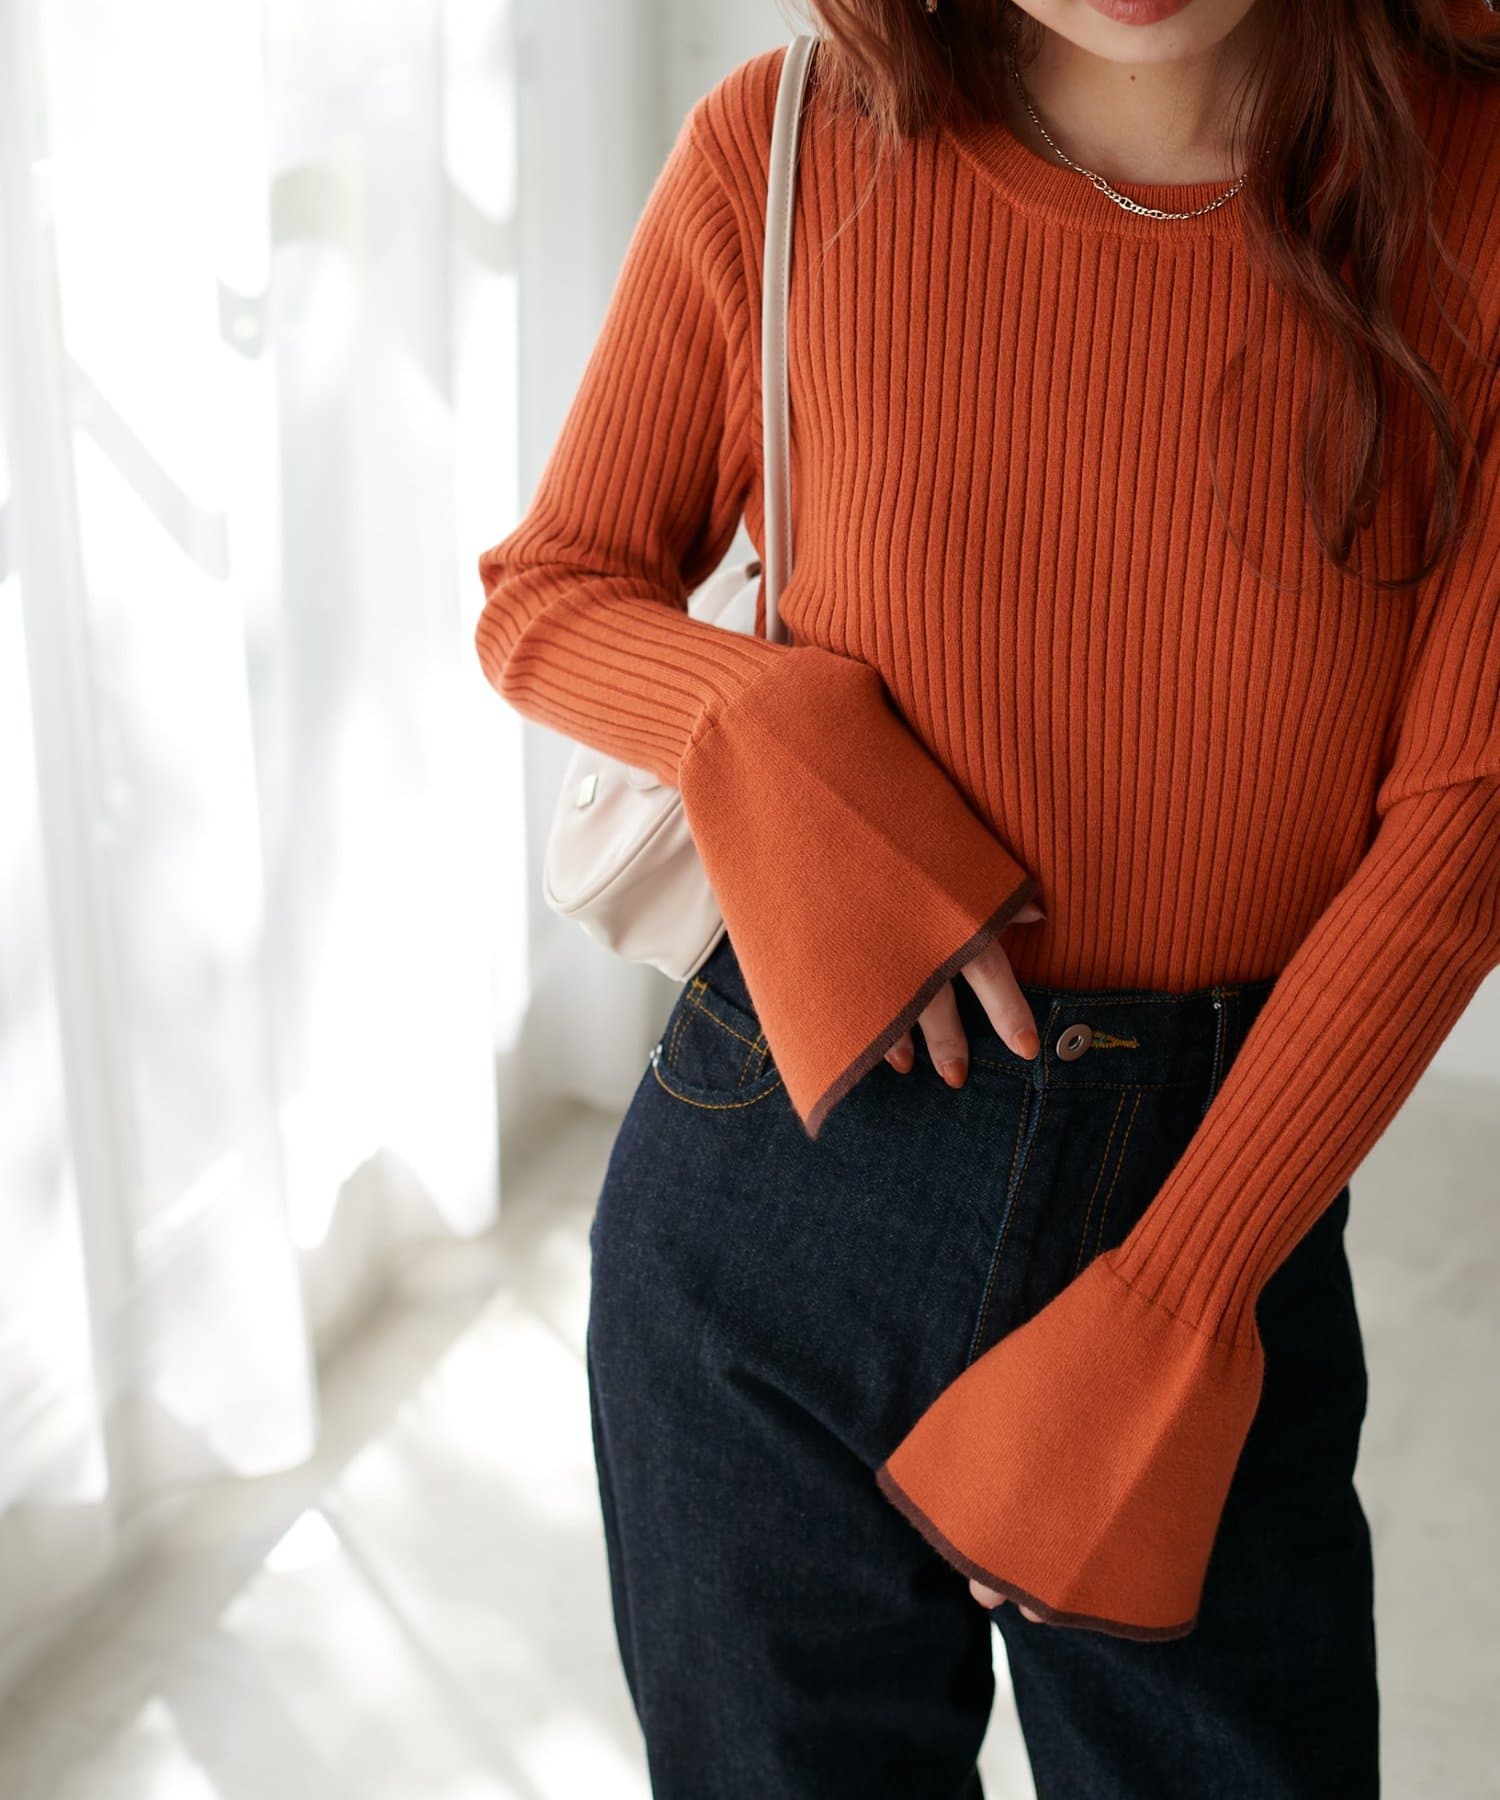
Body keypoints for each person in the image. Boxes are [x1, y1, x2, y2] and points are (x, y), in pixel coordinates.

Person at [473, 0, 1500, 1792]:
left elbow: (1463, 827)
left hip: (1218, 1199)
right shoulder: (785, 146)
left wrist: (1180, 1296)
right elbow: (549, 591)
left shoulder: (1468, 178)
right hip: (775, 1185)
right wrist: (781, 737)